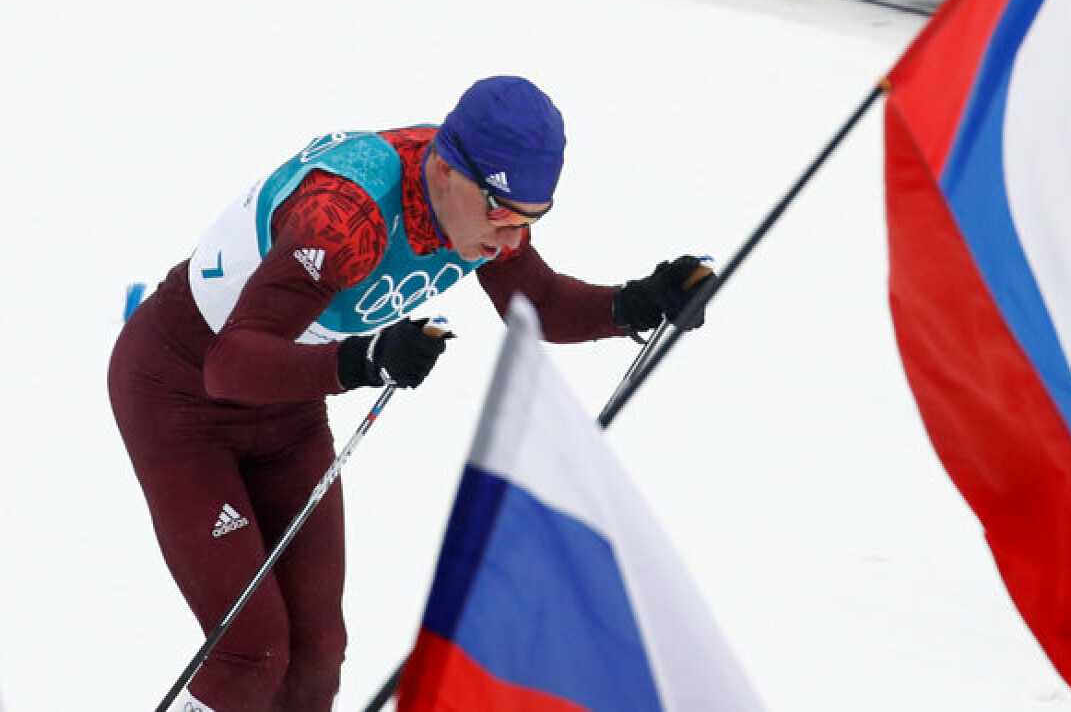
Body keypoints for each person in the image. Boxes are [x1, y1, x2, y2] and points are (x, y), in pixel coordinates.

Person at [108, 75, 713, 712]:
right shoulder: (344, 219)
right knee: (251, 651)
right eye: (502, 214)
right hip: (178, 395)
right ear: (447, 171)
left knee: (318, 653)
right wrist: (364, 359)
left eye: (532, 219)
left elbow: (538, 304)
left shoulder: (473, 209)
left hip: (285, 409)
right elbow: (227, 367)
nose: (510, 239)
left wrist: (638, 302)